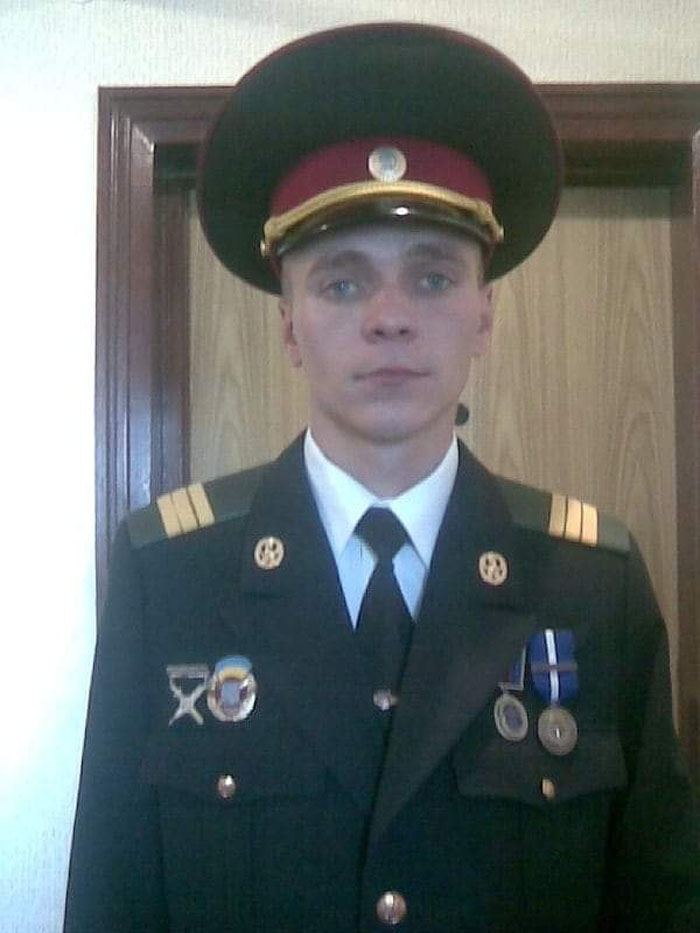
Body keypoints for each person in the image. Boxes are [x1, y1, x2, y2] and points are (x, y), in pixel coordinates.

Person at [64, 22, 699, 932]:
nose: (391, 318)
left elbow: (660, 900)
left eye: (433, 279)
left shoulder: (594, 586)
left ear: (484, 314)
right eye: (342, 283)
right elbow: (113, 897)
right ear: (289, 325)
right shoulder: (170, 575)